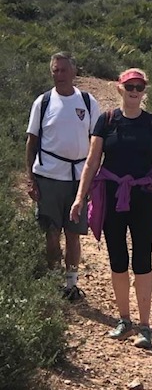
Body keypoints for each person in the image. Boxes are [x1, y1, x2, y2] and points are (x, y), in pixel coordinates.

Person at [70, 67, 152, 350]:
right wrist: (80, 197)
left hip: (143, 196)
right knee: (117, 258)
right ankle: (124, 320)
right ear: (120, 88)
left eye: (139, 87)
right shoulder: (106, 121)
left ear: (144, 91)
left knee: (142, 259)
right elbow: (92, 162)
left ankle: (145, 326)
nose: (134, 92)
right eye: (130, 86)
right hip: (111, 194)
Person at [26, 52, 100, 300]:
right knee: (51, 232)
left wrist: (94, 179)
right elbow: (31, 142)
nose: (59, 75)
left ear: (74, 72)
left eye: (63, 70)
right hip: (48, 177)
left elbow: (97, 144)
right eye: (55, 70)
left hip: (78, 180)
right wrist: (30, 178)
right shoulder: (43, 102)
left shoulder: (88, 102)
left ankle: (71, 284)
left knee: (73, 234)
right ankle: (52, 281)